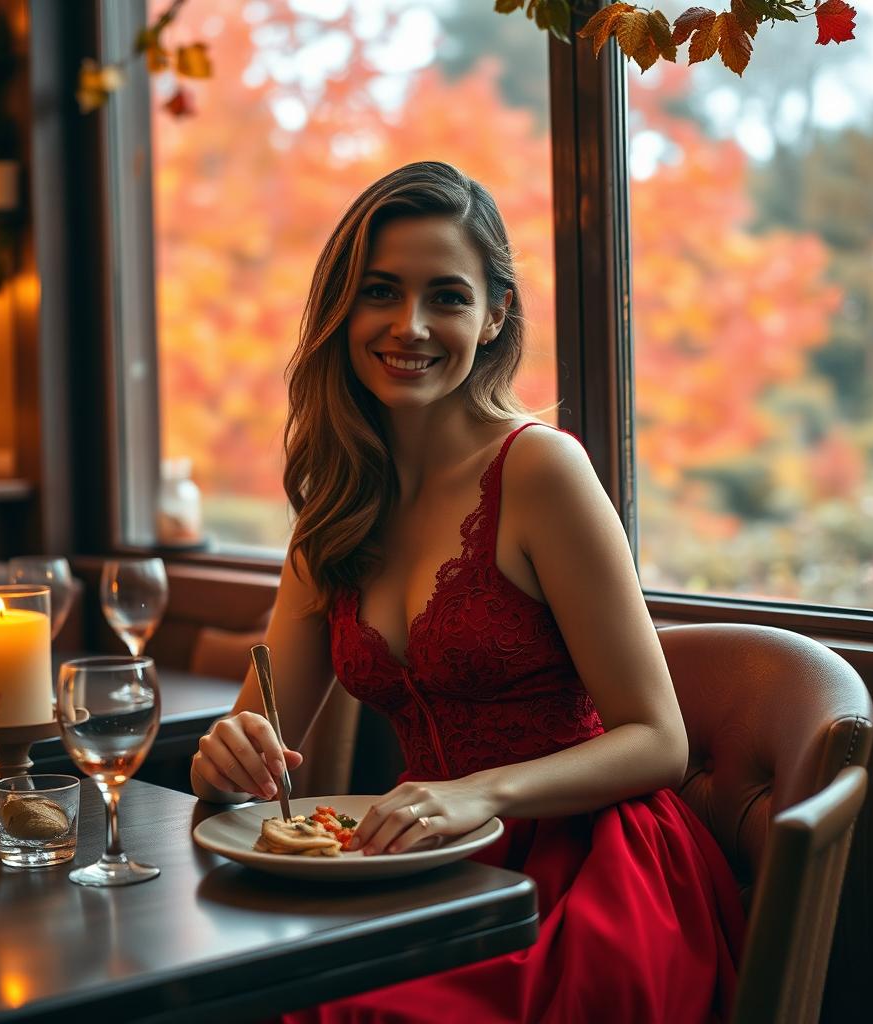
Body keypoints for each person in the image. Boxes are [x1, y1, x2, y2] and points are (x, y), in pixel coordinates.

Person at [191, 160, 744, 1023]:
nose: (409, 325)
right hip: (415, 867)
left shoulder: (540, 470)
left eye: (446, 296)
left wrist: (478, 792)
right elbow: (262, 741)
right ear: (343, 310)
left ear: (493, 318)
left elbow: (659, 740)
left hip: (587, 871)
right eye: (380, 291)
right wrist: (227, 759)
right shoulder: (332, 505)